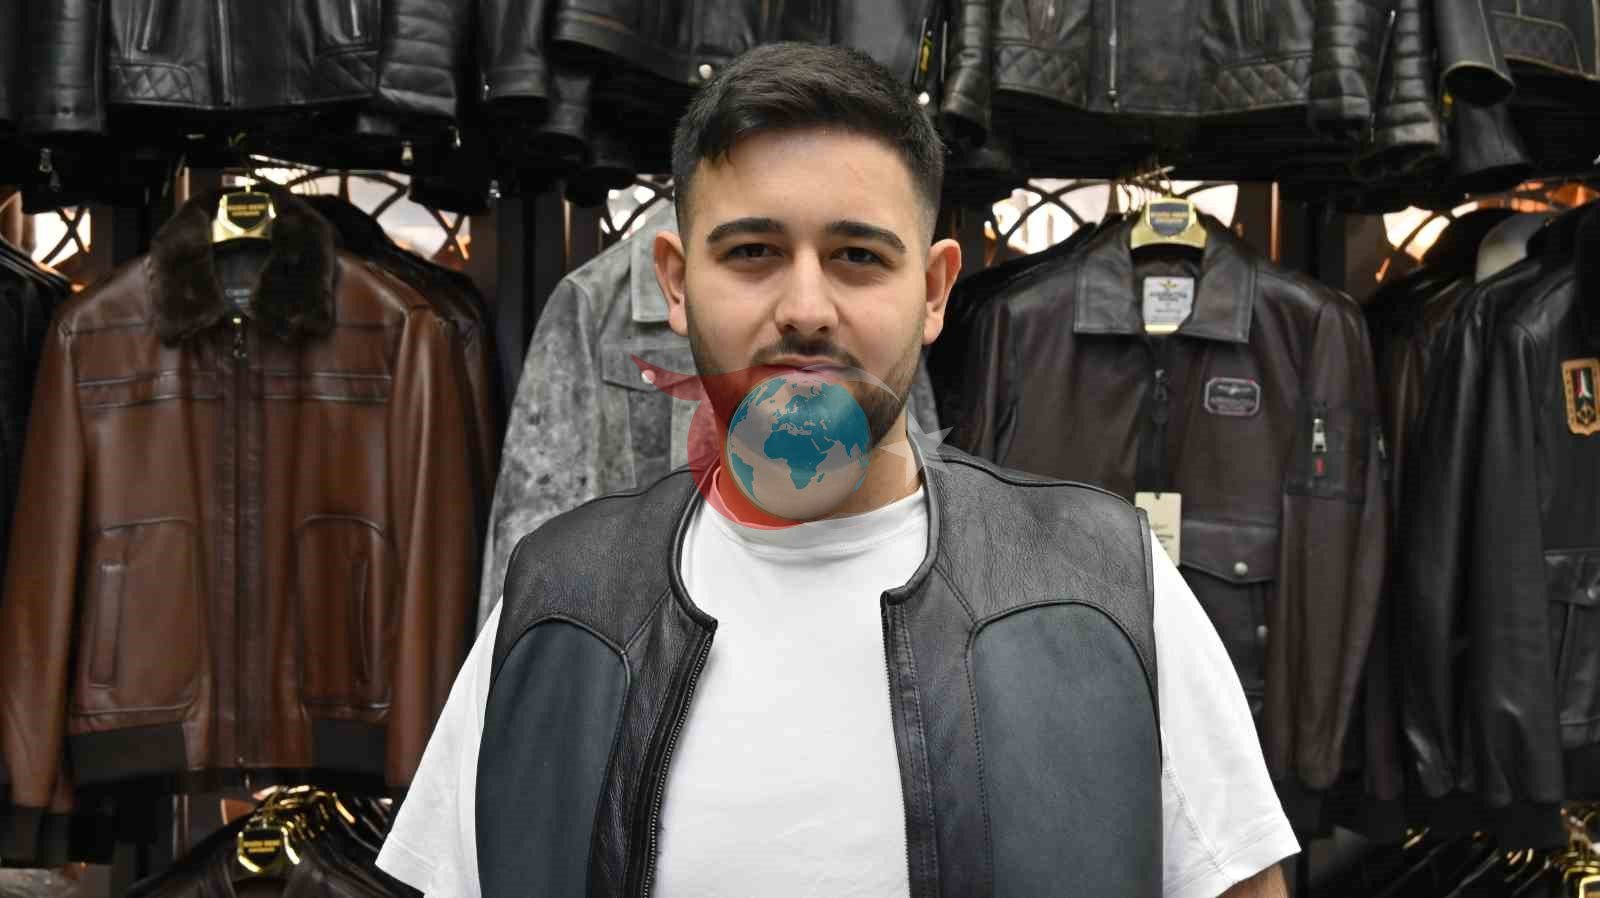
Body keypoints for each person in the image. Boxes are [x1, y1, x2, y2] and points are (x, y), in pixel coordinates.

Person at [376, 42, 1298, 897]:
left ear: (933, 291)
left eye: (858, 256)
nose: (806, 307)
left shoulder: (1108, 583)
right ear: (676, 281)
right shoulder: (558, 603)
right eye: (753, 253)